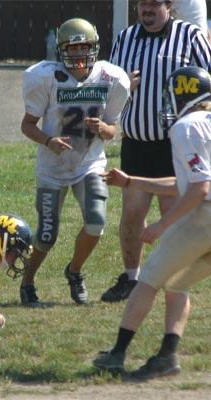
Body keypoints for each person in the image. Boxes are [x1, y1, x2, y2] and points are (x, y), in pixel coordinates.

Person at [93, 66, 211, 380]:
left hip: (205, 219)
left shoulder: (187, 126)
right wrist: (132, 181)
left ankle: (117, 354)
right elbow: (186, 183)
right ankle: (167, 357)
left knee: (147, 281)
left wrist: (162, 224)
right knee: (177, 283)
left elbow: (200, 189)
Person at [102, 0, 211, 303]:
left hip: (173, 143)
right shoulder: (125, 38)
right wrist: (123, 88)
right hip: (136, 141)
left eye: (153, 3)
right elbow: (110, 84)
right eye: (142, 4)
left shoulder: (189, 35)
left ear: (168, 5)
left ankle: (171, 280)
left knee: (172, 212)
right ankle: (131, 277)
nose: (146, 9)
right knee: (132, 213)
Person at [19, 18, 130, 306]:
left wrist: (102, 128)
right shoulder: (45, 76)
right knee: (46, 235)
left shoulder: (112, 78)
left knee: (96, 221)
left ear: (94, 48)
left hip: (88, 163)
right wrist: (48, 140)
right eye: (73, 48)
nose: (79, 54)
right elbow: (27, 125)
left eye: (84, 47)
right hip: (52, 167)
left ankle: (75, 271)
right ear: (62, 50)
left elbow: (112, 130)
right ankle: (27, 281)